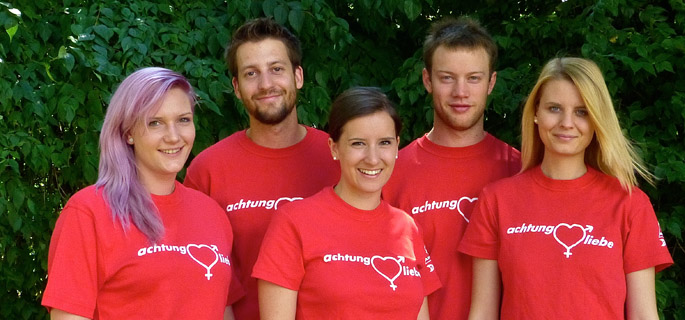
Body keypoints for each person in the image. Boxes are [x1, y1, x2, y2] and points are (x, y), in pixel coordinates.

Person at [459, 57, 674, 319]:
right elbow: (483, 313)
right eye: (554, 108)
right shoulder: (497, 200)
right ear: (536, 113)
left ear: (597, 120)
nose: (567, 123)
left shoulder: (629, 203)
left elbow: (643, 315)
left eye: (582, 111)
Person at [41, 67, 234, 319]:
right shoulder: (89, 212)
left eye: (183, 120)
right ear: (129, 132)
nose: (173, 136)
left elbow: (222, 309)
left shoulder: (212, 214)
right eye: (155, 123)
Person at [184, 18, 340, 319]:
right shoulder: (208, 171)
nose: (266, 84)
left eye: (276, 69)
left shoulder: (339, 159)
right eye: (251, 73)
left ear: (298, 76)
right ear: (237, 87)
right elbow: (195, 276)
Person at [254, 87, 441, 319]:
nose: (373, 158)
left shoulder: (406, 227)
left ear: (397, 146)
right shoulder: (294, 221)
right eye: (358, 143)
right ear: (334, 148)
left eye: (384, 142)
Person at [382, 17, 521, 320]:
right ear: (427, 80)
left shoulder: (519, 170)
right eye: (447, 78)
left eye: (473, 78)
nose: (461, 92)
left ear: (491, 83)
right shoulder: (391, 172)